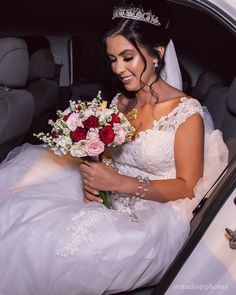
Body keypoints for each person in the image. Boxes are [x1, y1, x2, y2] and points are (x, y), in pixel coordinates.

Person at [0, 0, 228, 294]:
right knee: (15, 210)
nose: (118, 68)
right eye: (111, 59)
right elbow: (107, 157)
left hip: (152, 212)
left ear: (157, 54)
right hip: (110, 194)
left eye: (127, 57)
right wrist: (94, 179)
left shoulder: (186, 113)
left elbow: (187, 186)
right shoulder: (119, 102)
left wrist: (121, 182)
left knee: (47, 244)